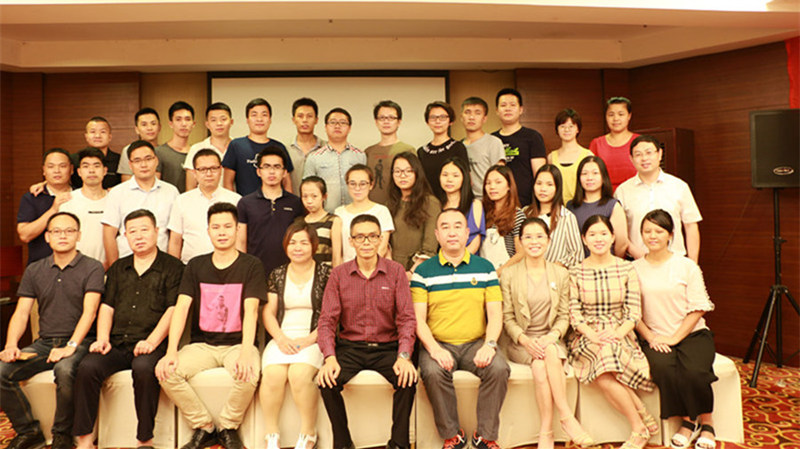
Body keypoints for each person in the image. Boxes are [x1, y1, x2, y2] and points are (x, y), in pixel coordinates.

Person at [156, 202, 266, 449]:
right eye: (216, 227)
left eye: (227, 226)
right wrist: (171, 351)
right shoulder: (196, 265)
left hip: (237, 344)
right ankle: (204, 426)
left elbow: (251, 311)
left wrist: (246, 353)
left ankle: (227, 427)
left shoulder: (251, 265)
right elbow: (182, 308)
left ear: (237, 229)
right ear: (208, 231)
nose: (222, 232)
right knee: (166, 372)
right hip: (202, 345)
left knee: (249, 373)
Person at [73, 209, 184, 449]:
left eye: (144, 230)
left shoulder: (173, 267)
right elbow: (107, 307)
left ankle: (145, 439)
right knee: (88, 366)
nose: (139, 236)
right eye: (132, 232)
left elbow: (173, 310)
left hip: (153, 343)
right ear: (125, 236)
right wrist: (103, 338)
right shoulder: (117, 268)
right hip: (117, 342)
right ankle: (84, 439)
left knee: (143, 369)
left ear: (156, 232)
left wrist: (151, 342)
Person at [0, 212, 104, 449]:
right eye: (56, 231)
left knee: (65, 369)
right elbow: (22, 312)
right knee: (1, 371)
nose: (63, 236)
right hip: (45, 343)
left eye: (69, 231)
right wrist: (11, 345)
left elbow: (90, 313)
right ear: (47, 237)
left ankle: (62, 435)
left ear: (78, 235)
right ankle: (29, 431)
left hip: (81, 341)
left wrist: (70, 347)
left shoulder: (92, 267)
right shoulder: (35, 269)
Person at [316, 214, 417, 449]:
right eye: (360, 237)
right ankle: (343, 443)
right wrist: (329, 357)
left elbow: (406, 318)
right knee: (326, 382)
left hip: (387, 347)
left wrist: (404, 356)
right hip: (350, 347)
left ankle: (398, 444)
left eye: (372, 236)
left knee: (407, 380)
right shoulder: (339, 274)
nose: (367, 242)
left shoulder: (396, 271)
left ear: (381, 239)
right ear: (351, 241)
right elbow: (327, 321)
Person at [411, 208, 509, 449]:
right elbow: (418, 319)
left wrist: (489, 345)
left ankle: (485, 436)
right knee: (432, 372)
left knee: (499, 368)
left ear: (467, 233)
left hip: (476, 343)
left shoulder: (485, 268)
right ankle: (452, 435)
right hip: (439, 343)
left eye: (457, 227)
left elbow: (495, 314)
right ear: (437, 234)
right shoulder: (423, 272)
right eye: (445, 227)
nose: (452, 232)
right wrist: (434, 349)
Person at [500, 217, 595, 449]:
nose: (534, 242)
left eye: (539, 236)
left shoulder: (560, 273)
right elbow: (507, 317)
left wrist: (552, 336)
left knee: (542, 363)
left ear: (549, 240)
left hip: (552, 338)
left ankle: (546, 431)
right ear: (520, 241)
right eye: (528, 237)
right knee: (545, 355)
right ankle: (567, 418)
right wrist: (525, 340)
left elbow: (564, 315)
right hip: (521, 342)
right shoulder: (509, 274)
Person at [568, 215, 657, 449]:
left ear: (612, 237)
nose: (598, 239)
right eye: (592, 234)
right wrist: (592, 334)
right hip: (587, 335)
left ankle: (639, 425)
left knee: (607, 357)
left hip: (620, 332)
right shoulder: (576, 272)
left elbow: (633, 312)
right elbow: (574, 313)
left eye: (603, 233)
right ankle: (639, 423)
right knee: (604, 357)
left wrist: (616, 334)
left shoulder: (626, 268)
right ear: (584, 239)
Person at [633, 210, 717, 449]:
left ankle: (707, 423)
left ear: (670, 235)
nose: (652, 236)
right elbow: (632, 311)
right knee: (664, 369)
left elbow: (699, 307)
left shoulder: (686, 266)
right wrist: (651, 337)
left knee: (694, 372)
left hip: (691, 333)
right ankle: (688, 421)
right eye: (647, 231)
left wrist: (675, 337)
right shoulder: (634, 268)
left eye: (659, 231)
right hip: (654, 335)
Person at [259, 222, 332, 449]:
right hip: (282, 336)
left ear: (314, 246)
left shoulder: (326, 273)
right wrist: (281, 339)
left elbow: (331, 315)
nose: (297, 247)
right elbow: (268, 313)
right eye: (292, 243)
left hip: (315, 336)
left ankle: (308, 433)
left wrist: (309, 340)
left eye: (303, 242)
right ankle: (272, 434)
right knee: (272, 375)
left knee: (299, 374)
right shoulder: (278, 274)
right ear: (285, 246)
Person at [615, 135, 702, 262]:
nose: (644, 158)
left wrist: (692, 264)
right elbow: (619, 231)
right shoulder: (623, 191)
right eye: (638, 154)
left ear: (660, 154)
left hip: (675, 260)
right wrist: (637, 254)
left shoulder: (679, 186)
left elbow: (691, 226)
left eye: (649, 153)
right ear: (631, 159)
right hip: (637, 260)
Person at [102, 140, 179, 265]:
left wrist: (172, 267)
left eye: (148, 159)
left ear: (156, 161)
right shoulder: (117, 193)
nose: (144, 165)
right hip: (126, 264)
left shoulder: (171, 191)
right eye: (137, 161)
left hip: (162, 265)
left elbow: (175, 235)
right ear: (130, 165)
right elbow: (109, 235)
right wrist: (114, 268)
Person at [237, 147, 305, 277]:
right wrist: (242, 270)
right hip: (255, 271)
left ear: (284, 172)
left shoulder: (295, 203)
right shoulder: (245, 203)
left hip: (289, 272)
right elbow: (241, 242)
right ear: (259, 171)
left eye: (277, 167)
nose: (272, 171)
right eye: (266, 167)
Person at [168, 149, 242, 263]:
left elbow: (240, 239)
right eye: (202, 169)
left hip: (229, 266)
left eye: (213, 168)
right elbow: (175, 241)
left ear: (221, 170)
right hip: (190, 266)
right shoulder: (182, 201)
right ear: (194, 173)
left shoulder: (236, 200)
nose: (209, 174)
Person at [223, 98, 293, 196]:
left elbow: (287, 183)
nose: (259, 119)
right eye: (254, 115)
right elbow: (228, 182)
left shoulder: (279, 147)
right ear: (247, 120)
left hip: (275, 203)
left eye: (264, 115)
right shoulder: (236, 145)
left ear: (270, 120)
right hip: (244, 203)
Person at [303, 107, 366, 212]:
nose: (337, 126)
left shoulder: (360, 155)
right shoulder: (314, 157)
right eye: (333, 122)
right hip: (326, 215)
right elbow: (307, 189)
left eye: (343, 123)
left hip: (355, 213)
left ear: (349, 128)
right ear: (326, 127)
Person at [387, 152, 440, 276]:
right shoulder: (389, 204)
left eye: (408, 171)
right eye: (397, 171)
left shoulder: (430, 202)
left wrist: (411, 273)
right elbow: (386, 243)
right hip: (392, 270)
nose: (402, 176)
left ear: (417, 173)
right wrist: (392, 269)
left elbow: (429, 248)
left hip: (419, 271)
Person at [491, 88, 547, 207]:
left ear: (521, 109)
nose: (508, 108)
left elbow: (540, 175)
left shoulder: (532, 137)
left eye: (512, 105)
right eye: (503, 105)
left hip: (526, 204)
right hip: (498, 204)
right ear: (497, 110)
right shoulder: (491, 140)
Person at [17, 148, 74, 265]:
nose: (57, 171)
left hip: (78, 266)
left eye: (62, 166)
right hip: (40, 267)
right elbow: (25, 235)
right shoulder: (32, 197)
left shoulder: (80, 195)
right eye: (51, 166)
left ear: (71, 169)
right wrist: (53, 209)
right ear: (44, 170)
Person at [523, 165, 584, 268]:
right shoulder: (525, 213)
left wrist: (552, 268)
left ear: (557, 188)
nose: (543, 189)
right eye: (539, 183)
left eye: (549, 184)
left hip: (555, 274)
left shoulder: (566, 217)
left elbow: (577, 255)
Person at [567, 155, 628, 257]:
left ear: (603, 177)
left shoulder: (613, 206)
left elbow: (622, 244)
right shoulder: (571, 206)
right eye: (584, 174)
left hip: (607, 264)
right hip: (578, 264)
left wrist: (612, 262)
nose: (589, 178)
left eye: (595, 173)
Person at [334, 164, 394, 262]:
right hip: (346, 268)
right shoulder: (339, 213)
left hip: (374, 268)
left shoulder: (382, 211)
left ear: (371, 185)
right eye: (352, 184)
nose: (357, 188)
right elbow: (337, 254)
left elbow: (382, 248)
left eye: (362, 184)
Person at [60, 148, 108, 267]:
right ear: (79, 172)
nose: (91, 170)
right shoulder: (68, 201)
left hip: (109, 268)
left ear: (105, 171)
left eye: (96, 166)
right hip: (74, 268)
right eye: (86, 166)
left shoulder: (115, 199)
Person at [365, 100, 416, 205]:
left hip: (399, 207)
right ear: (376, 122)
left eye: (391, 118)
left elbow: (416, 183)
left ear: (399, 122)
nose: (386, 122)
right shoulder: (369, 151)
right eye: (382, 118)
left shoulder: (408, 150)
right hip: (373, 207)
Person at [417, 101, 469, 200]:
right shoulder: (421, 151)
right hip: (428, 203)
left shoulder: (458, 147)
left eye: (442, 117)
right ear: (427, 122)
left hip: (451, 202)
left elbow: (466, 180)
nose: (437, 121)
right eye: (433, 117)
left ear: (450, 121)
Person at [480, 164, 524, 273]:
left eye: (498, 182)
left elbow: (521, 253)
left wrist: (498, 272)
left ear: (509, 186)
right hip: (484, 272)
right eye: (488, 183)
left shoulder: (517, 215)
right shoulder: (482, 213)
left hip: (508, 274)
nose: (492, 187)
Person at [589, 97, 640, 190]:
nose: (616, 118)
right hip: (604, 195)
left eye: (621, 114)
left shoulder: (640, 142)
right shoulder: (596, 144)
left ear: (629, 116)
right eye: (611, 114)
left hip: (635, 193)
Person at [460, 97, 505, 200]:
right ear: (461, 117)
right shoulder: (459, 146)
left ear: (484, 119)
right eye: (467, 112)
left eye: (477, 113)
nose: (471, 117)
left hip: (487, 199)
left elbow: (501, 176)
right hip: (465, 200)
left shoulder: (494, 142)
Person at [438, 157, 484, 254]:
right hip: (441, 260)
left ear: (464, 178)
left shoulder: (475, 204)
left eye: (455, 176)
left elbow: (475, 241)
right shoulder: (436, 205)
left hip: (468, 259)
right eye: (445, 175)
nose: (449, 179)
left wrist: (457, 260)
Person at [184, 102, 234, 190]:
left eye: (223, 119)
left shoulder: (238, 147)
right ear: (207, 124)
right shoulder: (196, 149)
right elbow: (190, 187)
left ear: (231, 122)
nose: (219, 123)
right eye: (213, 120)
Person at [547, 108, 592, 203]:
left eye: (571, 126)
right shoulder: (551, 157)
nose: (566, 130)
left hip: (581, 205)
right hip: (558, 206)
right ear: (557, 129)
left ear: (577, 129)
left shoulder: (587, 155)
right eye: (562, 126)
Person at [154, 101, 196, 193]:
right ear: (171, 124)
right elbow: (154, 186)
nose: (184, 124)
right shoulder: (159, 152)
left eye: (187, 119)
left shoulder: (196, 152)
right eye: (178, 119)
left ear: (193, 124)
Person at [300, 176, 343, 267]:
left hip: (326, 272)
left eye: (314, 196)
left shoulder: (333, 221)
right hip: (304, 271)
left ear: (324, 196)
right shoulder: (300, 222)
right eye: (305, 196)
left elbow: (336, 256)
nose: (309, 201)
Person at [72, 116, 122, 189]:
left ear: (110, 137)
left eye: (103, 132)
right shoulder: (74, 159)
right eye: (93, 132)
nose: (97, 136)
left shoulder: (119, 160)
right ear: (86, 136)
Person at [287, 98, 325, 192]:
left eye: (309, 116)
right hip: (293, 200)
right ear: (293, 120)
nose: (305, 120)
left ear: (316, 120)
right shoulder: (285, 150)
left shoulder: (326, 148)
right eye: (300, 116)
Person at [119, 108, 163, 182]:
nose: (149, 128)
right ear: (137, 129)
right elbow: (126, 181)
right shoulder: (128, 150)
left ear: (159, 127)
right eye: (144, 124)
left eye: (153, 124)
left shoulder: (164, 150)